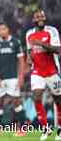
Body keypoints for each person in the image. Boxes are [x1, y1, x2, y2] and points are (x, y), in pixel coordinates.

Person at [25, 9, 61, 141]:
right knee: (36, 96)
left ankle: (59, 130)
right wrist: (29, 58)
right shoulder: (29, 34)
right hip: (37, 71)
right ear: (33, 19)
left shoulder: (52, 31)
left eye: (42, 16)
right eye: (37, 17)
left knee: (58, 100)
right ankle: (45, 129)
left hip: (52, 70)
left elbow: (57, 50)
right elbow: (29, 50)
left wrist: (42, 44)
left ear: (45, 18)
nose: (40, 18)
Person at [0, 22, 26, 137]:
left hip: (13, 78)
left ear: (8, 30)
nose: (1, 31)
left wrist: (21, 76)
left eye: (3, 29)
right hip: (0, 78)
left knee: (16, 101)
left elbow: (21, 61)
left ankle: (23, 128)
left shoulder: (15, 42)